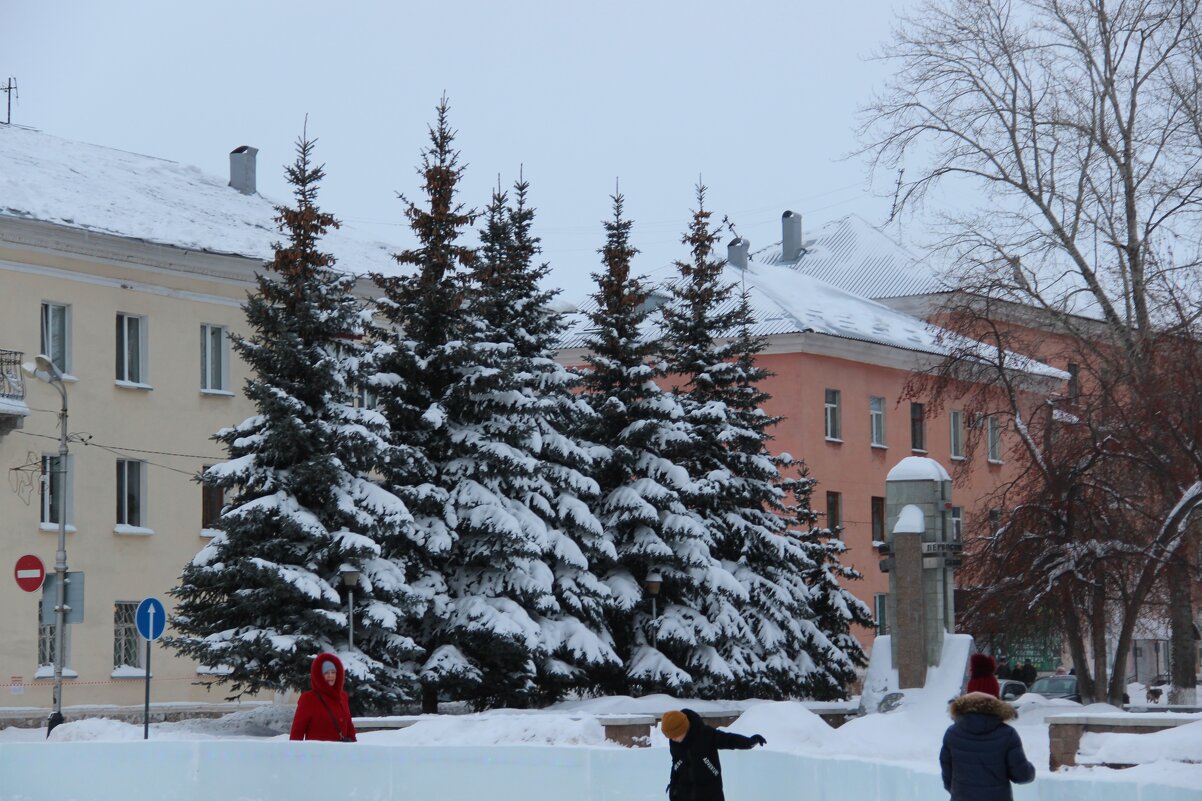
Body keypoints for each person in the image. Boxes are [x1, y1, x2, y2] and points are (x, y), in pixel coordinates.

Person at [940, 692, 1035, 801]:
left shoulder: (952, 733)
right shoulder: (1007, 734)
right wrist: (1030, 769)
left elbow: (947, 776)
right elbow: (1022, 776)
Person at [662, 709, 766, 801]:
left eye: (675, 736)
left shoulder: (705, 734)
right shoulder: (674, 742)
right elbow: (676, 764)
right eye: (670, 737)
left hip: (710, 792)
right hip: (684, 793)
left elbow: (729, 740)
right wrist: (673, 785)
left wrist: (749, 742)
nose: (673, 739)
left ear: (683, 728)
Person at [289, 652, 357, 742]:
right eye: (326, 673)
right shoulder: (309, 698)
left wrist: (353, 747)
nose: (330, 676)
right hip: (317, 754)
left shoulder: (342, 697)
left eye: (333, 672)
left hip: (341, 753)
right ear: (319, 675)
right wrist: (295, 753)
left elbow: (349, 727)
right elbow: (297, 732)